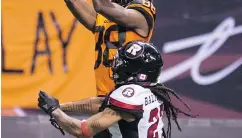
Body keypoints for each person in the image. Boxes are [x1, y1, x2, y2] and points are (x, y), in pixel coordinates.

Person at [38, 41, 193, 138]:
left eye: (122, 64)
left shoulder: (130, 96)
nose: (116, 67)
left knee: (100, 134)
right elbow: (101, 104)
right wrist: (62, 106)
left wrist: (53, 111)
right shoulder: (153, 89)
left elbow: (82, 131)